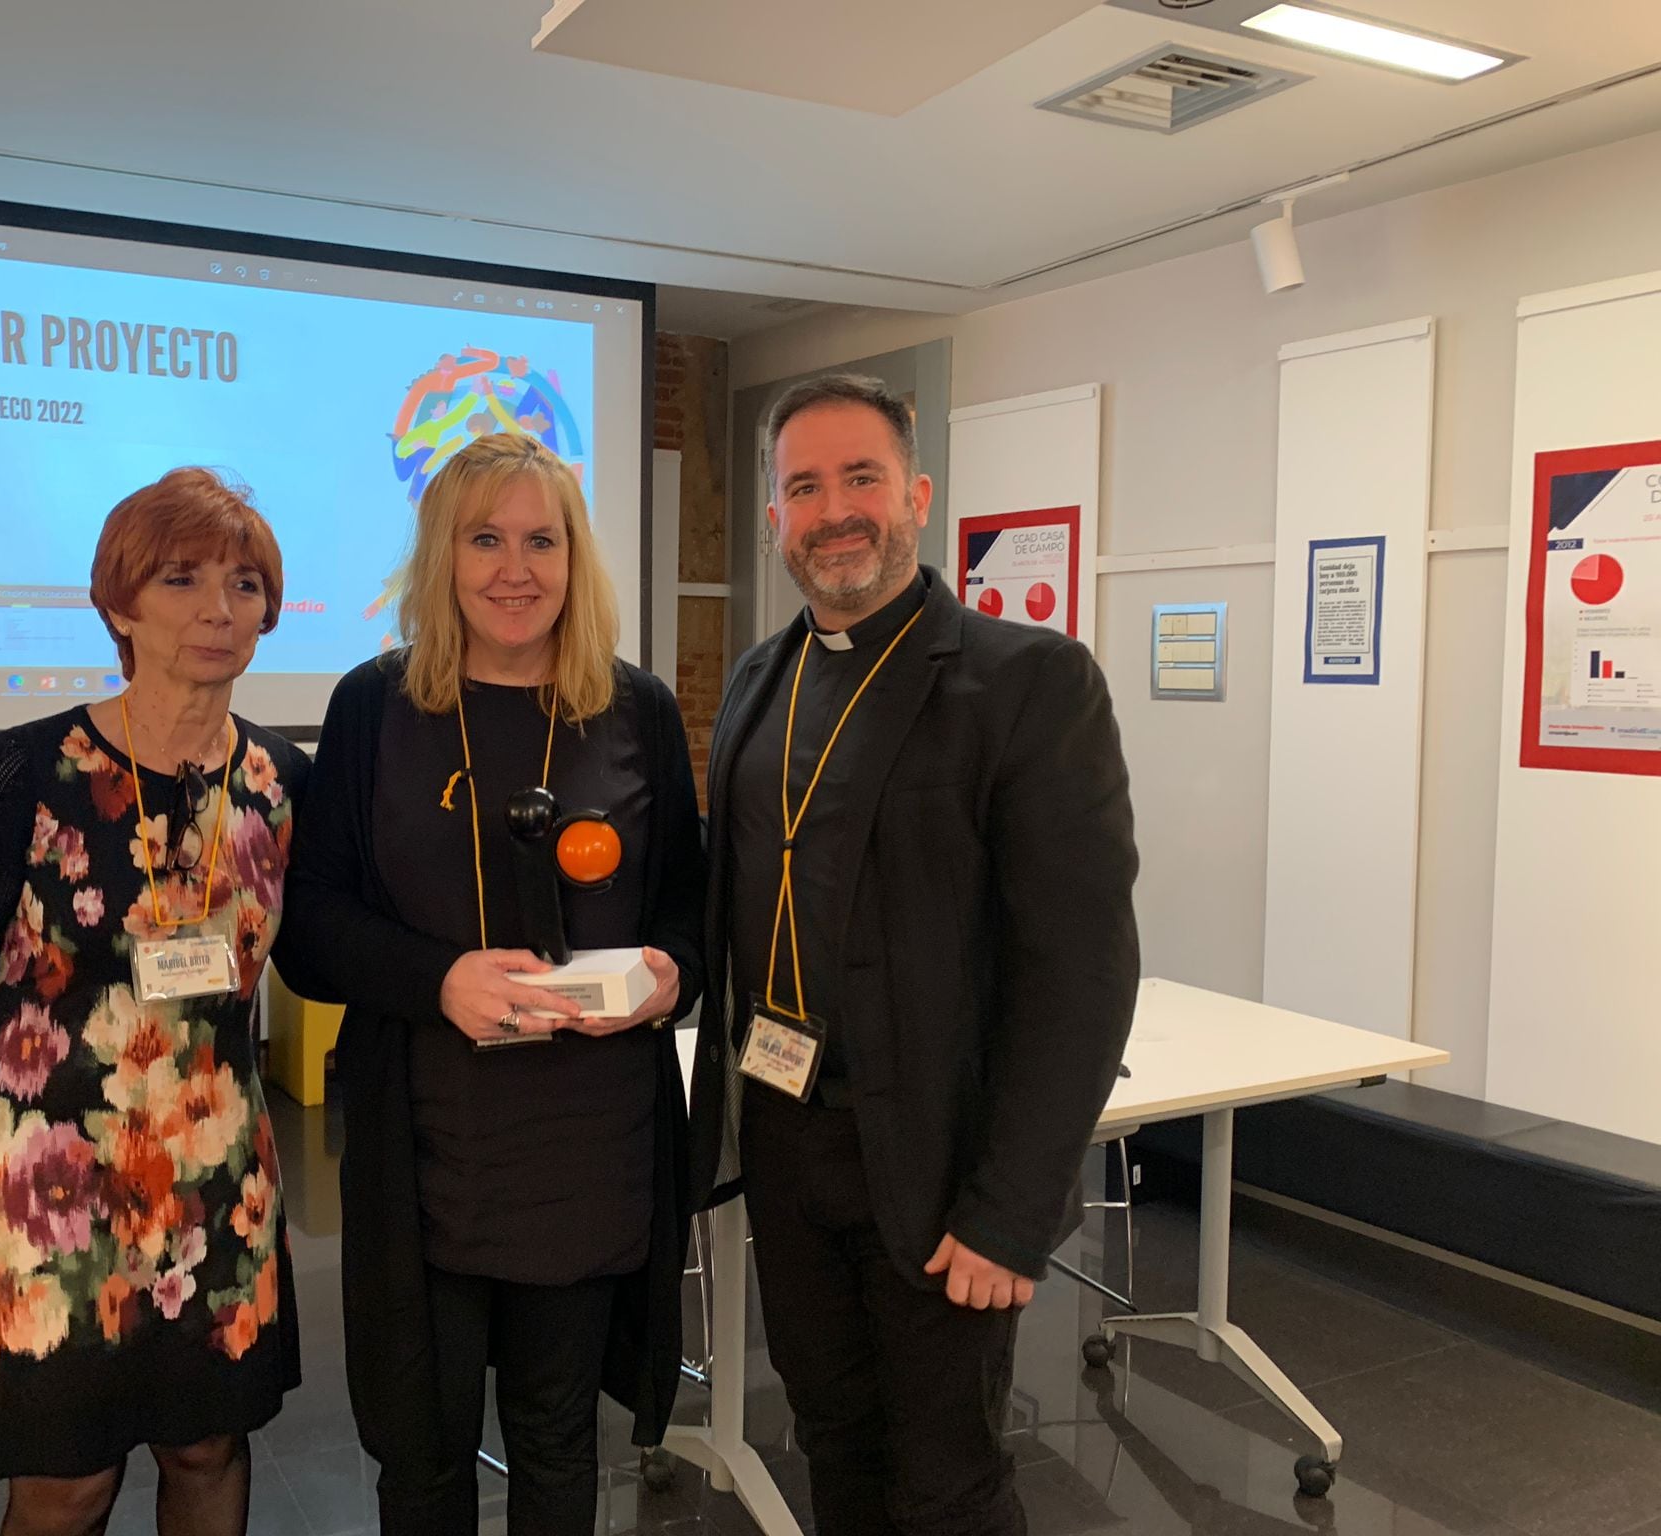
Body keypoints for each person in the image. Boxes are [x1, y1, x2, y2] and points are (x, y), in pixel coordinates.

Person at [686, 374, 1140, 1535]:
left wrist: (1009, 1212)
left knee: (946, 1479)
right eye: (803, 487)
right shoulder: (757, 677)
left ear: (916, 497)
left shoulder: (1026, 681)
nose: (834, 510)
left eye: (860, 479)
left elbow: (1079, 972)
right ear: (774, 518)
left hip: (939, 1160)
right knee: (831, 1439)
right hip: (787, 1141)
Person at [289, 431, 705, 1535]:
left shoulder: (635, 711)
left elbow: (687, 909)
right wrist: (437, 981)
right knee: (420, 1461)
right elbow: (310, 928)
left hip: (584, 1146)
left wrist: (674, 971)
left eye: (540, 540)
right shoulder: (373, 708)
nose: (513, 568)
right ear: (442, 555)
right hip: (426, 1149)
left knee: (558, 1445)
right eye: (484, 539)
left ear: (576, 560)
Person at [0, 467, 311, 1536]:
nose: (219, 609)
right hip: (44, 1184)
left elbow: (332, 949)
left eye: (244, 583)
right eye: (180, 580)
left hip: (214, 1178)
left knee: (207, 1447)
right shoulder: (24, 773)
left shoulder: (278, 781)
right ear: (119, 604)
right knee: (66, 1483)